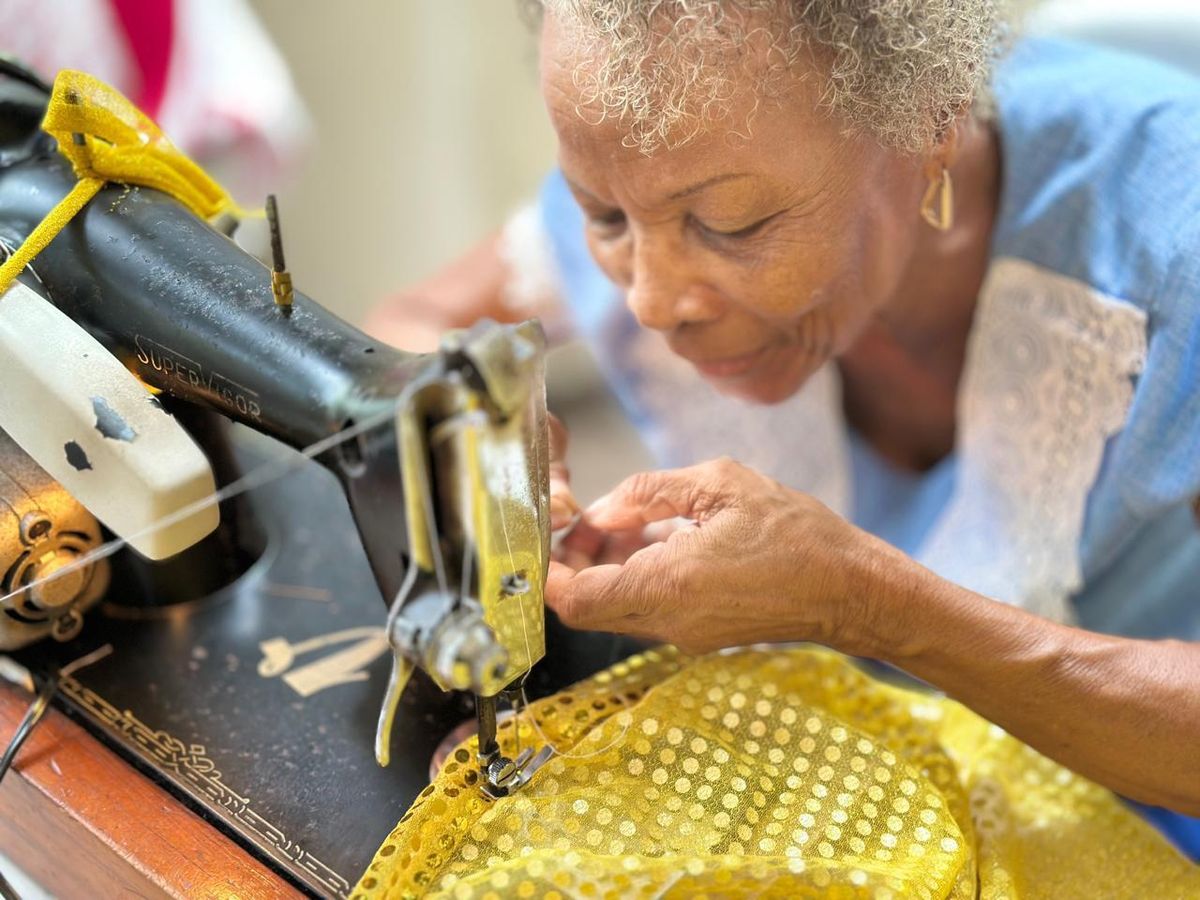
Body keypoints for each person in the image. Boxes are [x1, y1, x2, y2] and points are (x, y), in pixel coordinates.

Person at [368, 0, 1200, 850]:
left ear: (928, 130)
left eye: (730, 224)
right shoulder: (658, 158)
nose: (651, 301)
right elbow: (408, 324)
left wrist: (864, 605)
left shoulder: (1178, 234)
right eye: (605, 217)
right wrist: (472, 432)